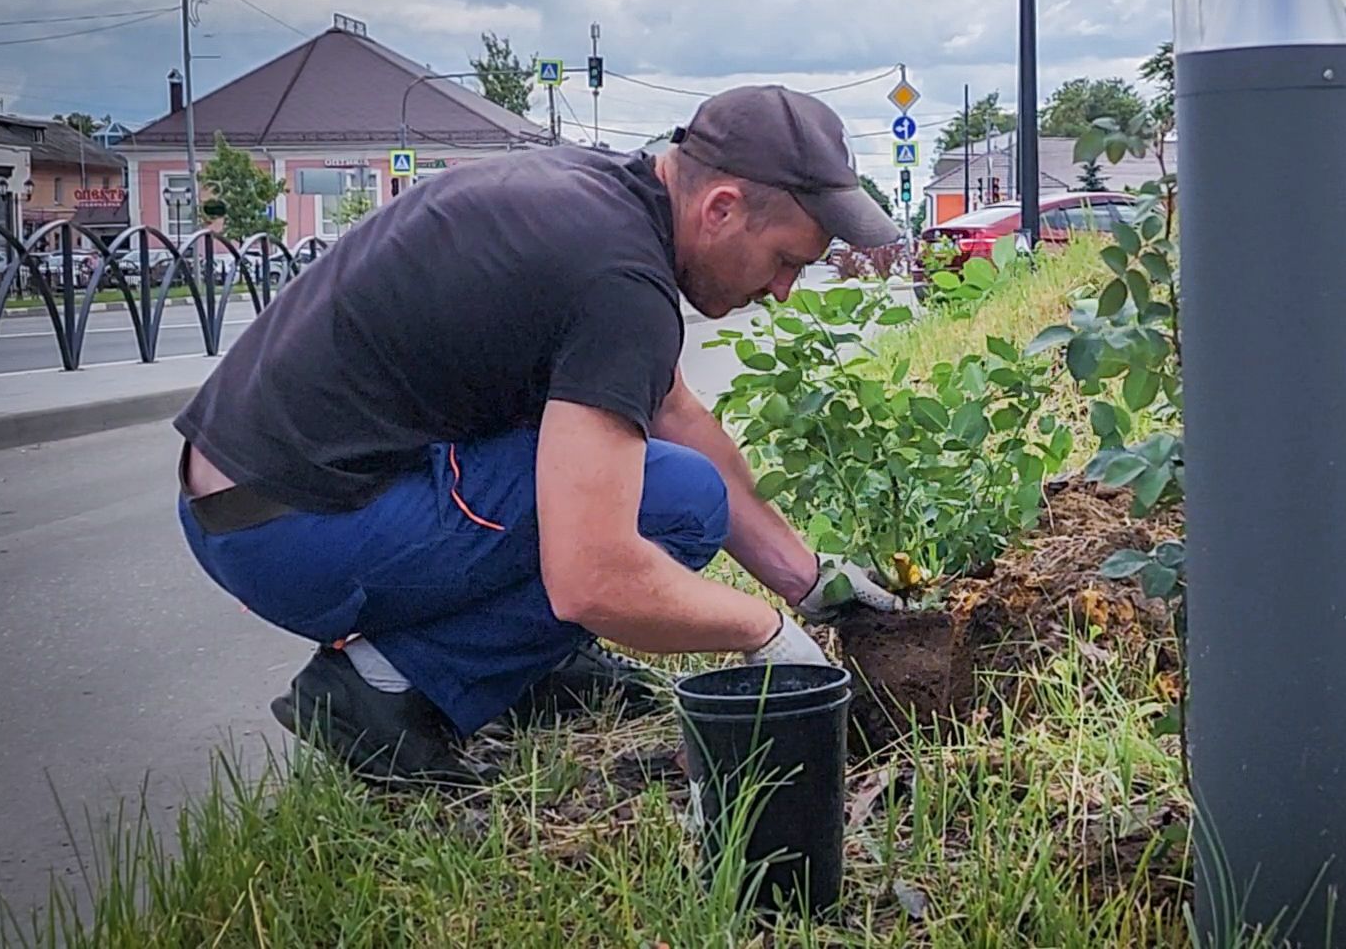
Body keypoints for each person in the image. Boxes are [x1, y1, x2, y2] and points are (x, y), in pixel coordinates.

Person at [174, 86, 906, 785]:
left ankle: (522, 665)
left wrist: (809, 581)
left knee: (668, 475)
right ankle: (379, 690)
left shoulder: (606, 199)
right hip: (297, 533)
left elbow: (672, 411)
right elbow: (594, 579)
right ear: (721, 208)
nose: (782, 291)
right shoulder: (619, 279)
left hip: (254, 500)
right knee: (678, 502)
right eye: (787, 262)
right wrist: (766, 634)